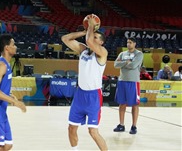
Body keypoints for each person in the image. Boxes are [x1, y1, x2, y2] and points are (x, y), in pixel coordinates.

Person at [61, 15, 108, 151]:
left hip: (93, 96)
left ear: (101, 43)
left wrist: (91, 27)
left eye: (95, 37)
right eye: (92, 35)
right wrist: (85, 30)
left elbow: (89, 40)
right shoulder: (83, 50)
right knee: (71, 128)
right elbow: (65, 39)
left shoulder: (102, 53)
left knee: (93, 132)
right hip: (80, 95)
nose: (92, 38)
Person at [113, 37, 143, 135]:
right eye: (127, 42)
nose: (128, 44)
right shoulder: (122, 54)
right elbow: (115, 65)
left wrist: (123, 64)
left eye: (130, 42)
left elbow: (134, 66)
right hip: (122, 81)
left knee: (135, 104)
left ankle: (134, 126)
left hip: (133, 82)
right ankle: (121, 125)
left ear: (134, 44)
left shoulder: (139, 54)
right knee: (122, 103)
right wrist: (126, 62)